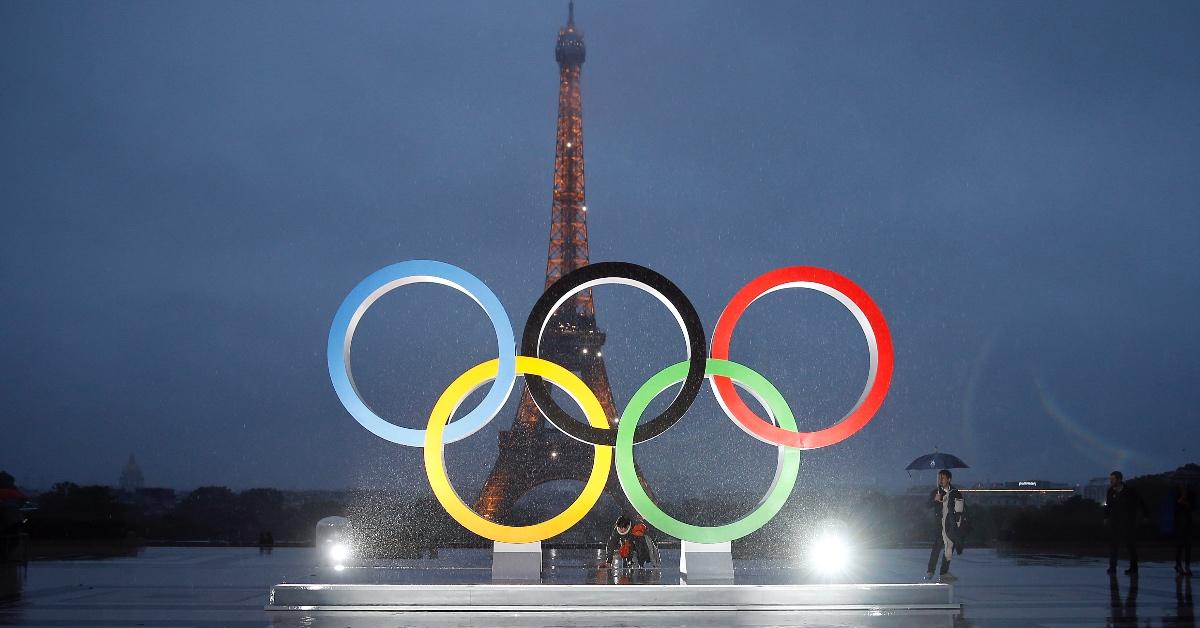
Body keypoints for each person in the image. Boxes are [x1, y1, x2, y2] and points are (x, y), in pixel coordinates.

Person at [925, 469, 964, 582]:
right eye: (939, 478)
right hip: (939, 525)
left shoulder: (955, 492)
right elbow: (927, 505)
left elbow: (960, 509)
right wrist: (934, 500)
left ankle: (944, 572)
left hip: (951, 525)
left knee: (949, 549)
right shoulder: (936, 492)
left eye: (942, 478)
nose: (940, 480)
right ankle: (930, 571)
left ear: (949, 479)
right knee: (936, 548)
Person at [1105, 471, 1148, 575]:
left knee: (1130, 545)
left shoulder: (1130, 491)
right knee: (1113, 545)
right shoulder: (1110, 491)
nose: (1111, 481)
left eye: (1113, 479)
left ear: (1119, 479)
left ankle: (1133, 568)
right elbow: (1108, 506)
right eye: (1110, 479)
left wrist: (1145, 515)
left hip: (1128, 521)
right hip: (1115, 522)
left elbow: (1140, 502)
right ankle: (1112, 567)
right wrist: (1106, 517)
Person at [1173, 478, 1194, 576]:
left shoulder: (1191, 494)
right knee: (1180, 546)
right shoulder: (1176, 494)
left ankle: (1187, 565)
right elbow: (1175, 507)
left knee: (1188, 546)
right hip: (1179, 523)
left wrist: (1184, 502)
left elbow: (1193, 507)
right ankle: (1179, 565)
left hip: (1187, 523)